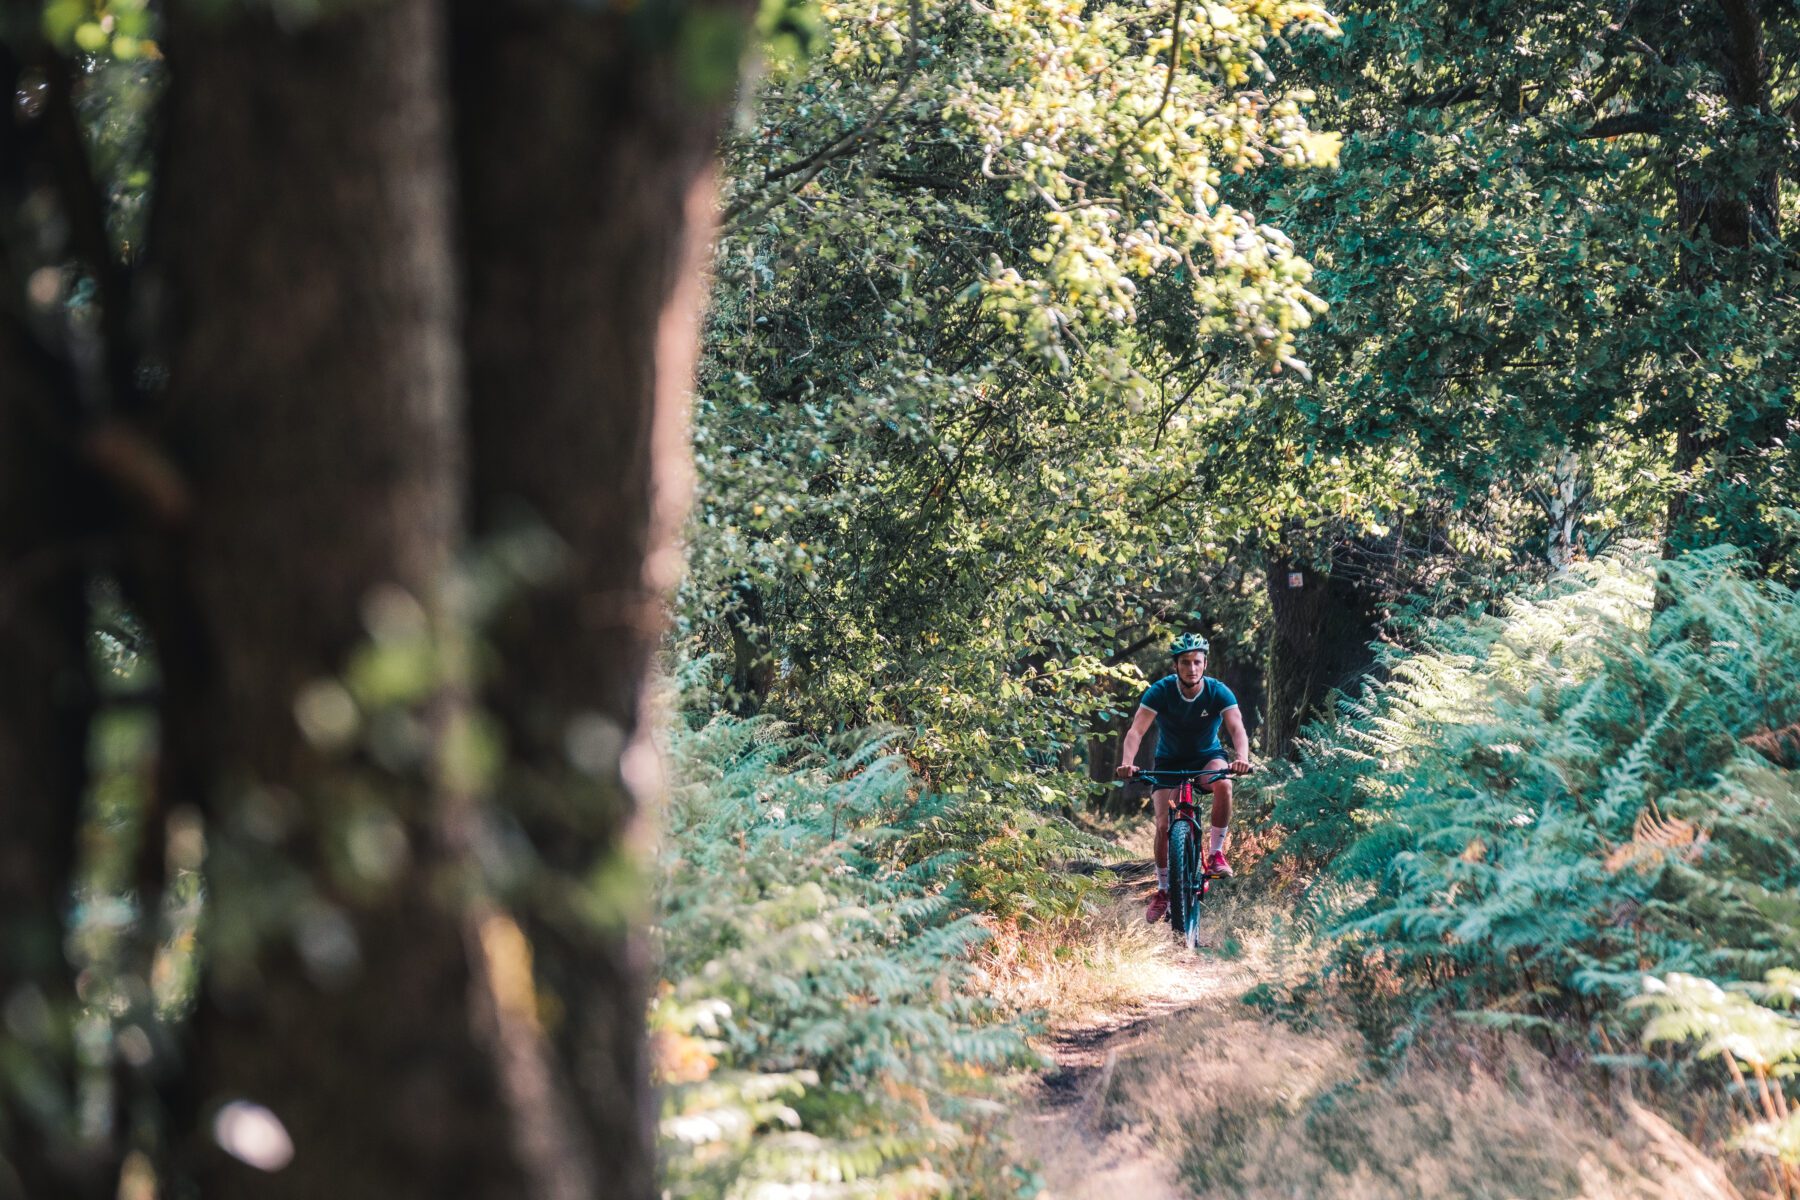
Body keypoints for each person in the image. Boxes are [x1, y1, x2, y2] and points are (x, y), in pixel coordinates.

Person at [1115, 633, 1251, 924]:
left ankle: (1215, 854)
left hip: (1207, 757)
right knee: (1164, 824)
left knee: (1224, 783)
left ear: (1205, 664)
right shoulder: (1160, 692)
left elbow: (1237, 728)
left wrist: (1242, 758)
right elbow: (1136, 731)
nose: (1192, 668)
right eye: (1185, 663)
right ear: (1176, 666)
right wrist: (1127, 763)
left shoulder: (1218, 692)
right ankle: (1164, 890)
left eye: (1197, 662)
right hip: (1170, 761)